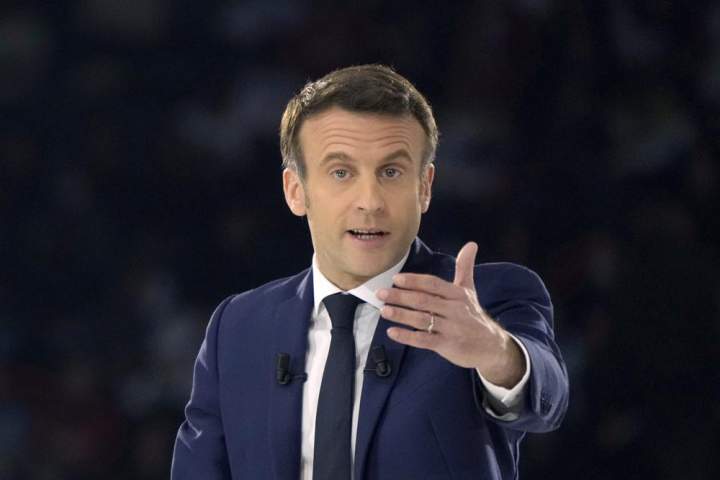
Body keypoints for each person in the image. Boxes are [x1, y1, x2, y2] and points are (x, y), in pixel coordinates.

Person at [171, 64, 568, 479]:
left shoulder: (485, 299)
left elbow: (549, 398)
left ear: (425, 187)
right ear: (295, 191)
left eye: (391, 172)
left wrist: (495, 351)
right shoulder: (237, 328)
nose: (370, 201)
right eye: (341, 173)